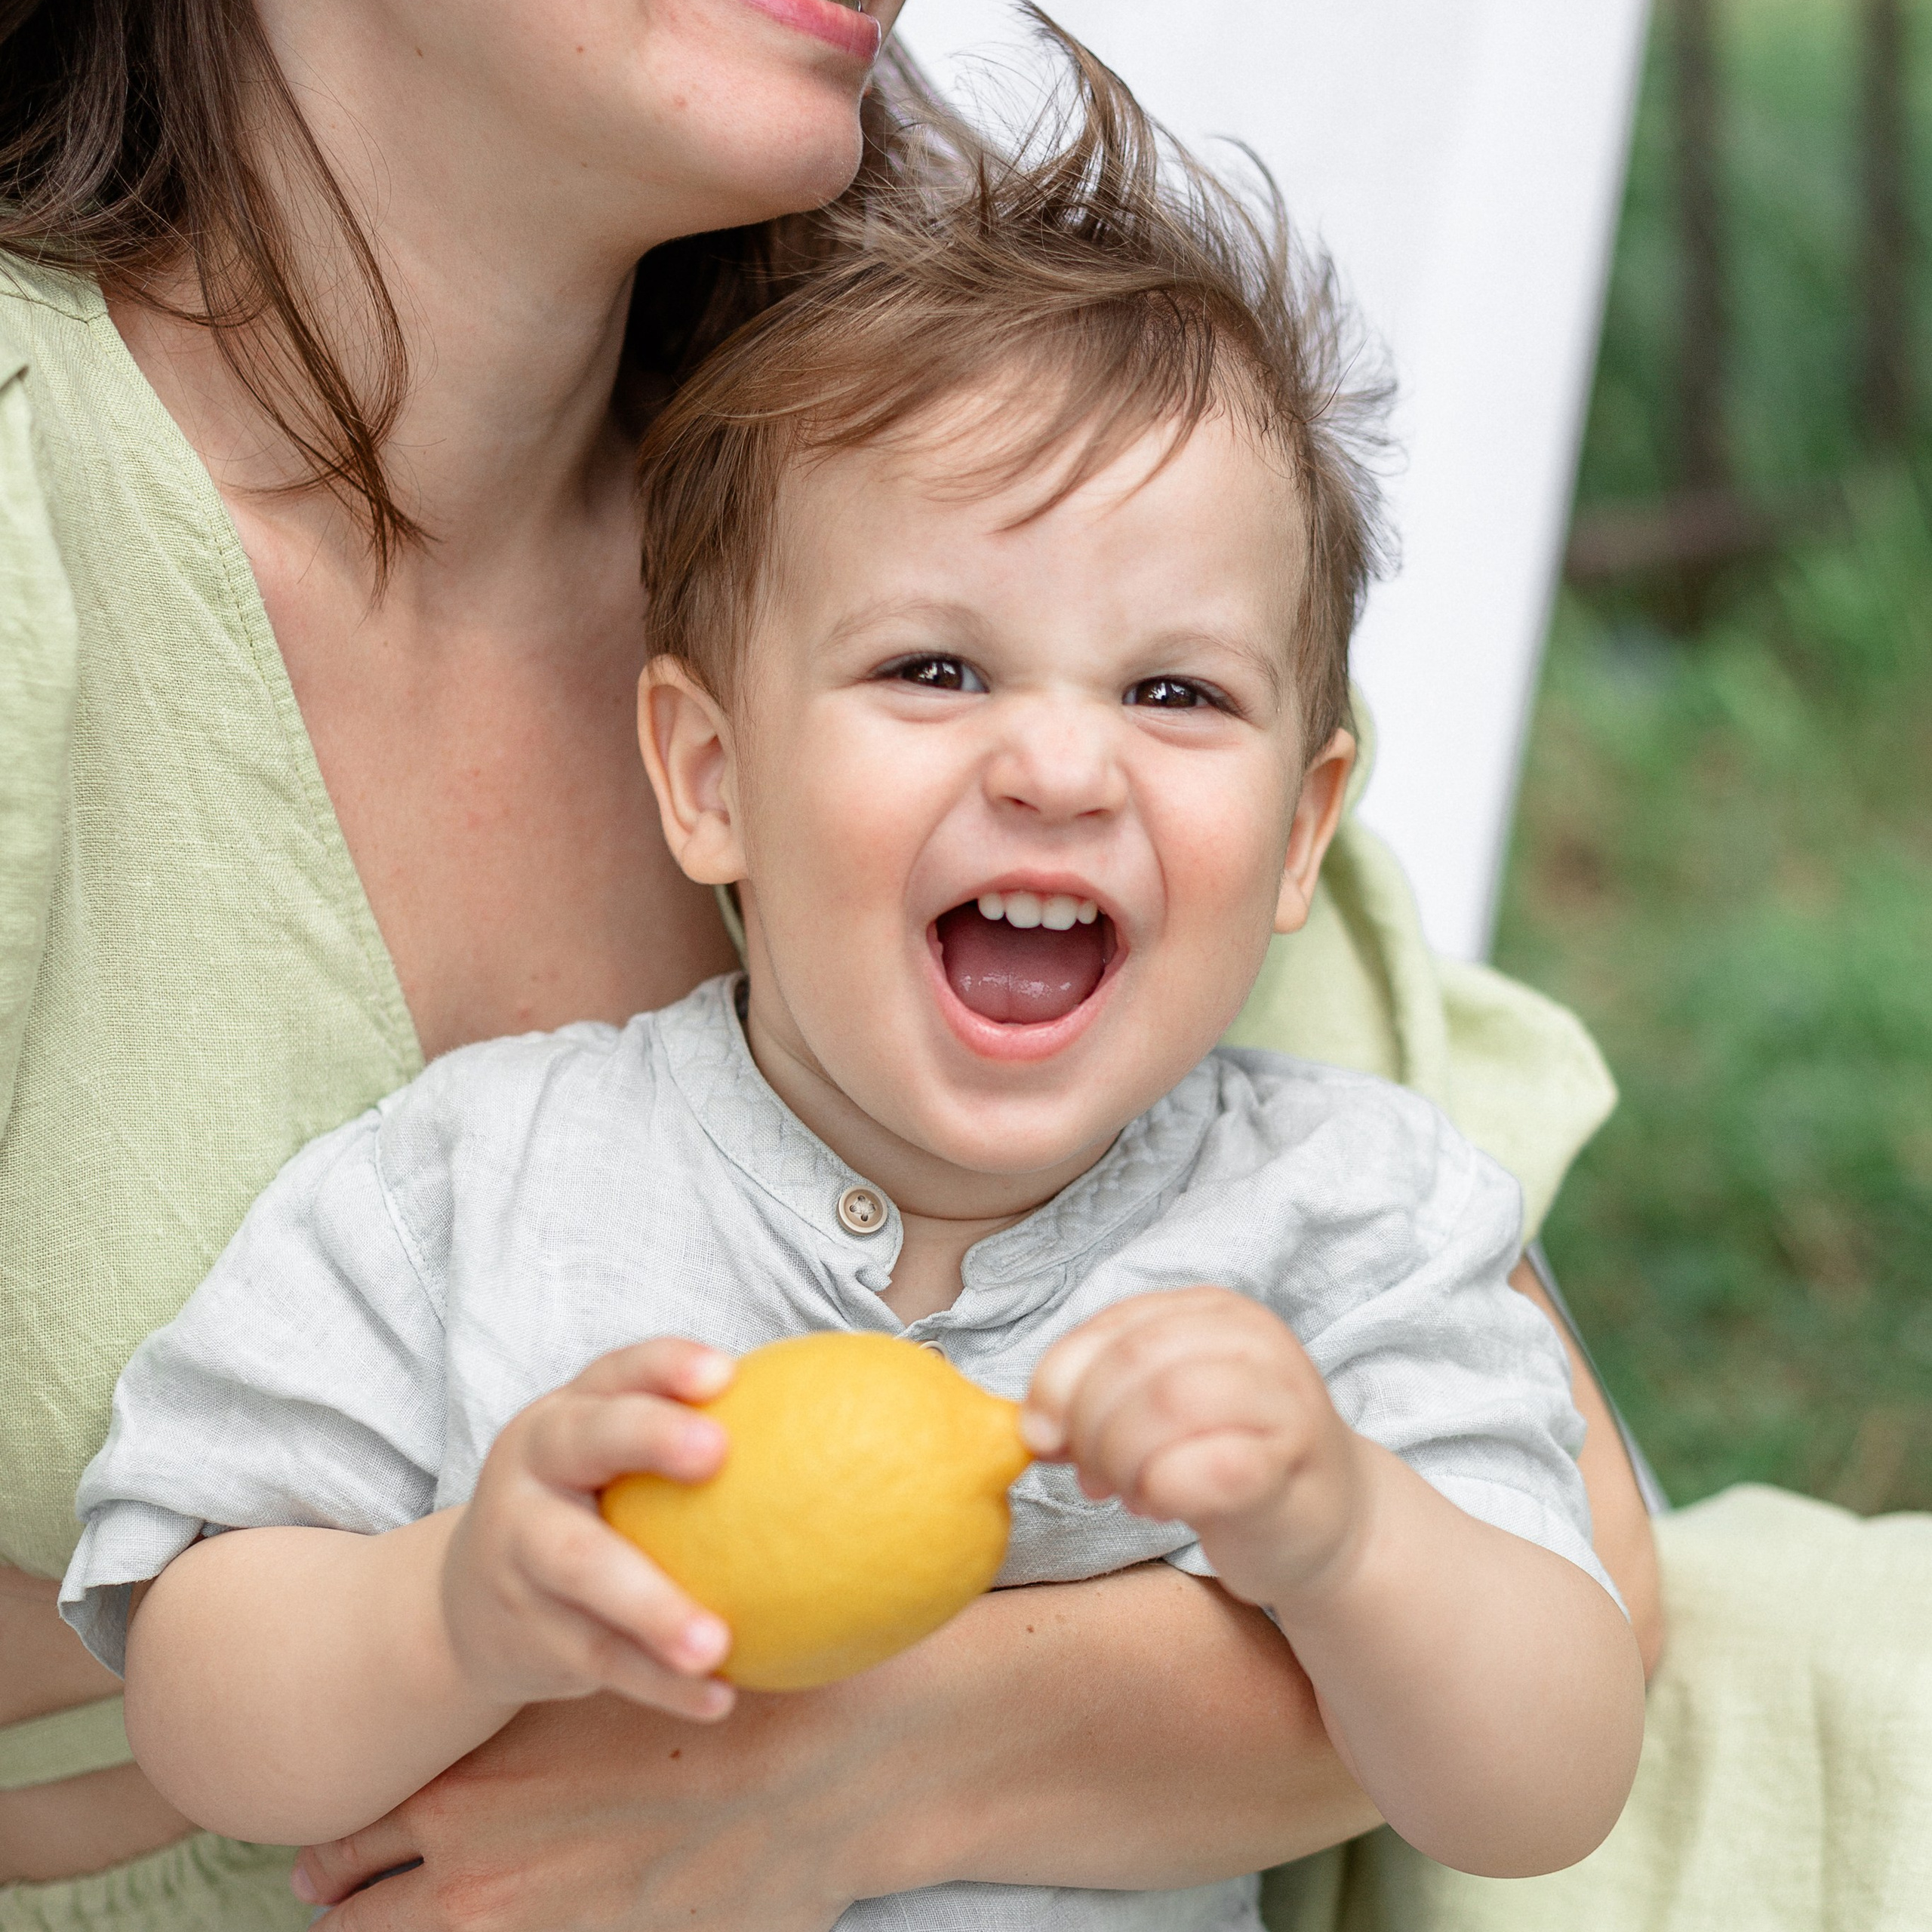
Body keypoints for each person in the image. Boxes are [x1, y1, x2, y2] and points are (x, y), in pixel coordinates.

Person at [0, 2, 1658, 1928]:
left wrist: (1343, 1538)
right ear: (701, 770)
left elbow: (1562, 1714)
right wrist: (450, 1601)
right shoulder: (488, 1178)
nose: (1057, 760)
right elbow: (209, 1674)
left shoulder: (1326, 1210)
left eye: (1175, 693)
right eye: (934, 672)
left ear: (1303, 822)